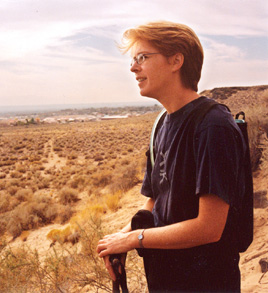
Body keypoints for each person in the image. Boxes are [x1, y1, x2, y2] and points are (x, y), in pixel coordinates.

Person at [97, 21, 247, 292]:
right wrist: (123, 236)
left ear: (176, 60)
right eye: (133, 60)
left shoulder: (212, 125)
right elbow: (156, 199)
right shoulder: (161, 124)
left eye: (142, 57)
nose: (133, 67)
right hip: (165, 281)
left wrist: (135, 240)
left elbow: (209, 227)